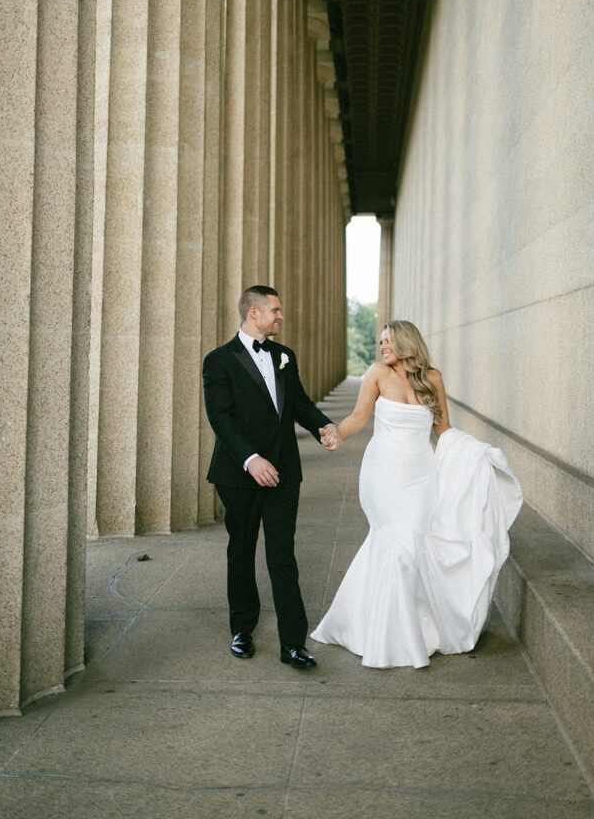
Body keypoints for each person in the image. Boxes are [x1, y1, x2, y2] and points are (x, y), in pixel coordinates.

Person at [312, 319, 522, 669]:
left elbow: (443, 429)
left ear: (406, 341)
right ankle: (391, 638)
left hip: (422, 477)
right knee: (397, 544)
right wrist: (336, 433)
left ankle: (405, 630)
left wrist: (476, 454)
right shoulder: (377, 374)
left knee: (410, 548)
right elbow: (358, 417)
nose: (382, 346)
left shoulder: (432, 378)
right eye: (380, 341)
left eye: (388, 340)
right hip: (383, 475)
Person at [202, 285, 340, 670]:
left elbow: (299, 403)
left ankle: (293, 643)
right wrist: (250, 460)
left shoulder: (284, 356)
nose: (281, 316)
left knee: (282, 555)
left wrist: (324, 426)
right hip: (239, 474)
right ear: (254, 312)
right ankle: (241, 630)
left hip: (284, 472)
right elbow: (221, 418)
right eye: (275, 310)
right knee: (241, 551)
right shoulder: (218, 360)